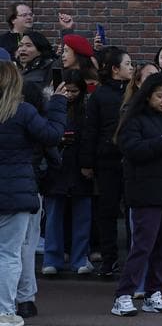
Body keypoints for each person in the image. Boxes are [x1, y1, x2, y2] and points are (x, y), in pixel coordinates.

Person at [110, 73, 162, 317]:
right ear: (147, 96)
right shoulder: (133, 120)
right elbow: (133, 150)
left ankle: (154, 292)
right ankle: (123, 295)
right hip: (146, 193)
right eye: (160, 96)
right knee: (142, 246)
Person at [0, 57, 67, 326]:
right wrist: (58, 103)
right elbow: (52, 135)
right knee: (10, 254)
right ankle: (5, 310)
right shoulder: (24, 111)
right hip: (17, 191)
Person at [81, 46, 134, 278]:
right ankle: (109, 259)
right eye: (127, 64)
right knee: (108, 210)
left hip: (132, 159)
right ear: (115, 69)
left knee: (132, 210)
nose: (131, 68)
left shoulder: (135, 92)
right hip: (107, 160)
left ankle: (133, 259)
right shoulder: (100, 96)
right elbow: (90, 130)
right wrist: (87, 162)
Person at [39, 70, 94, 276]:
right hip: (58, 166)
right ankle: (55, 258)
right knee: (55, 215)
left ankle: (77, 258)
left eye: (74, 91)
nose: (70, 95)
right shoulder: (48, 108)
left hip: (76, 166)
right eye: (66, 91)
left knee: (81, 216)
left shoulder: (86, 110)